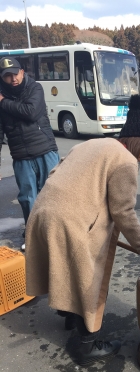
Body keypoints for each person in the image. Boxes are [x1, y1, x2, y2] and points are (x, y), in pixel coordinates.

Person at [25, 94, 140, 365]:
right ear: (138, 141)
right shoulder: (125, 161)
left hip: (42, 211)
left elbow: (56, 172)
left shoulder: (94, 143)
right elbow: (123, 211)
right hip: (70, 221)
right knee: (90, 278)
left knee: (64, 267)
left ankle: (70, 317)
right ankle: (86, 344)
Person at [0, 57, 59, 250]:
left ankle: (55, 233)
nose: (13, 79)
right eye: (7, 76)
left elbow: (31, 112)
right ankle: (33, 236)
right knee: (27, 199)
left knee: (52, 194)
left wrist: (3, 102)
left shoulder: (35, 88)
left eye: (15, 73)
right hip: (21, 156)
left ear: (22, 71)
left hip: (45, 149)